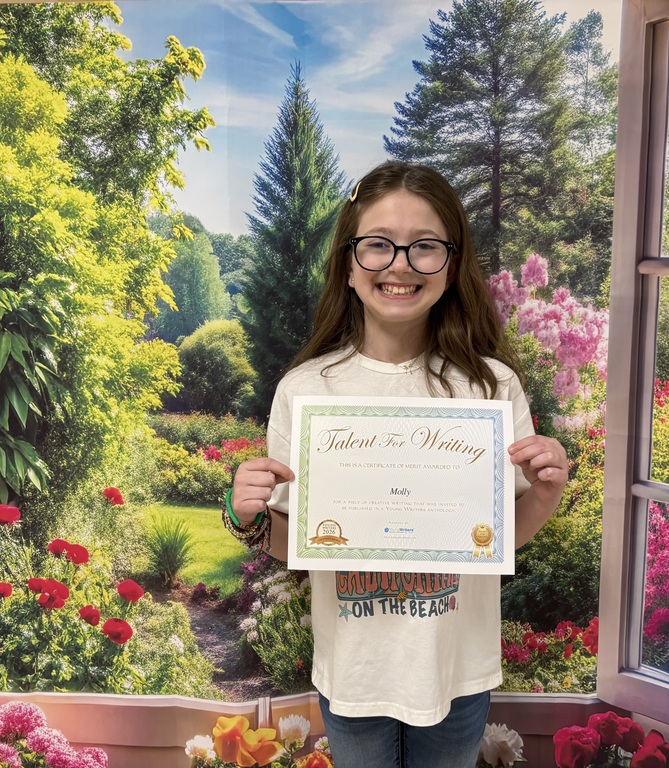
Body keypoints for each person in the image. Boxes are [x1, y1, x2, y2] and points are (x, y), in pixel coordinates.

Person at [222, 161, 568, 768]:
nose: (400, 264)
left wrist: (542, 493)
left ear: (451, 264)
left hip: (457, 667)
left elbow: (497, 538)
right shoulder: (307, 391)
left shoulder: (491, 387)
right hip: (355, 669)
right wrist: (242, 511)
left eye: (425, 246)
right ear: (349, 265)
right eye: (377, 245)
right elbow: (296, 542)